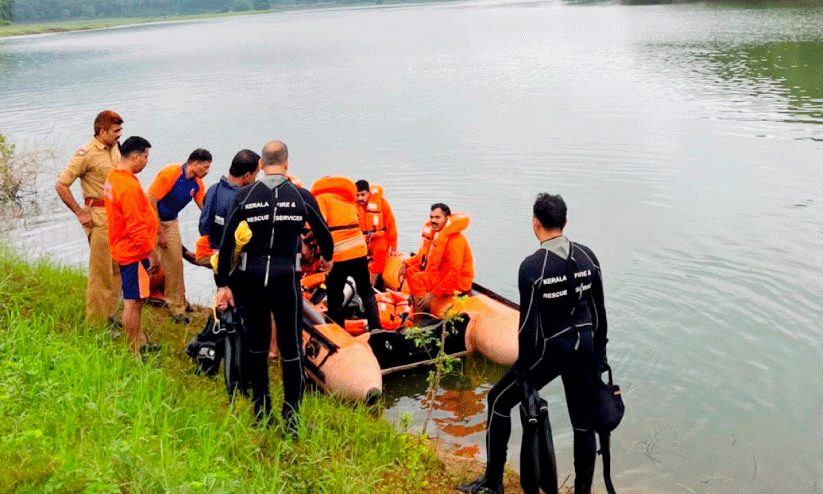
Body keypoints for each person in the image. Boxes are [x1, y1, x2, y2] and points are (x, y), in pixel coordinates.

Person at [457, 193, 610, 494]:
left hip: (552, 349)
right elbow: (599, 313)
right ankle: (582, 492)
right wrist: (600, 357)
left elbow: (528, 327)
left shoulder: (533, 267)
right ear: (565, 222)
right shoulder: (588, 257)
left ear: (535, 224)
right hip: (586, 348)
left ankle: (493, 482)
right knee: (583, 422)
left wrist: (525, 374)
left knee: (498, 401)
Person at [214, 140, 333, 431]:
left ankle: (261, 413)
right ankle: (292, 420)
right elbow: (325, 237)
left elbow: (227, 242)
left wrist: (223, 284)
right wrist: (327, 258)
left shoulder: (244, 195)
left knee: (256, 345)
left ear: (260, 166)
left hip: (252, 276)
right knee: (290, 349)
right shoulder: (301, 196)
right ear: (287, 163)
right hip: (285, 278)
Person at [54, 110, 123, 327]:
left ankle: (111, 315)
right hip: (98, 216)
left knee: (117, 269)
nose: (119, 135)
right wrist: (80, 212)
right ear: (101, 131)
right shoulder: (86, 153)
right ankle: (95, 324)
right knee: (100, 273)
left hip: (116, 215)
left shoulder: (116, 149)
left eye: (120, 130)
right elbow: (61, 185)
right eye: (115, 131)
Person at [103, 136, 160, 355]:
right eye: (145, 157)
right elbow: (135, 226)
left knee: (136, 299)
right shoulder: (126, 185)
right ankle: (134, 350)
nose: (146, 162)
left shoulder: (115, 176)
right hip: (133, 252)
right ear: (135, 156)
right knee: (132, 302)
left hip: (123, 247)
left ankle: (141, 340)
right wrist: (151, 253)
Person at [311, 176, 382, 331]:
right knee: (367, 292)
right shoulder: (347, 200)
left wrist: (318, 248)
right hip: (359, 250)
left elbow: (320, 225)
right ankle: (377, 329)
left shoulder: (321, 199)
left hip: (339, 253)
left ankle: (339, 333)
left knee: (335, 298)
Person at [148, 149, 211, 323]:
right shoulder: (171, 173)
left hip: (171, 221)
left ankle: (177, 308)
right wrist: (159, 232)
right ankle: (134, 295)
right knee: (153, 263)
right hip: (151, 220)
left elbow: (204, 209)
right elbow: (150, 201)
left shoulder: (197, 183)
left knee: (175, 264)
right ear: (195, 164)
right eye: (205, 168)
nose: (207, 172)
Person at [399, 203, 474, 316]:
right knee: (411, 271)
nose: (433, 220)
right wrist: (406, 263)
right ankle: (419, 305)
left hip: (459, 281)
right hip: (442, 274)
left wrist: (433, 294)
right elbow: (422, 255)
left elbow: (454, 273)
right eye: (432, 217)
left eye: (437, 217)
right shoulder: (437, 235)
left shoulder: (455, 241)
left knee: (417, 279)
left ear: (447, 219)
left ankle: (419, 319)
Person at [198, 149, 260, 256]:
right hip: (237, 258)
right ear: (247, 176)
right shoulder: (246, 197)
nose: (256, 178)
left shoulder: (213, 190)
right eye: (256, 174)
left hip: (215, 254)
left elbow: (203, 226)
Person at [355, 179, 399, 286]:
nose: (360, 198)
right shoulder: (351, 206)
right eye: (357, 195)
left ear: (369, 193)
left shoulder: (382, 203)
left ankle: (371, 285)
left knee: (380, 253)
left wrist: (394, 248)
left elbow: (391, 225)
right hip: (361, 239)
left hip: (379, 238)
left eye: (363, 195)